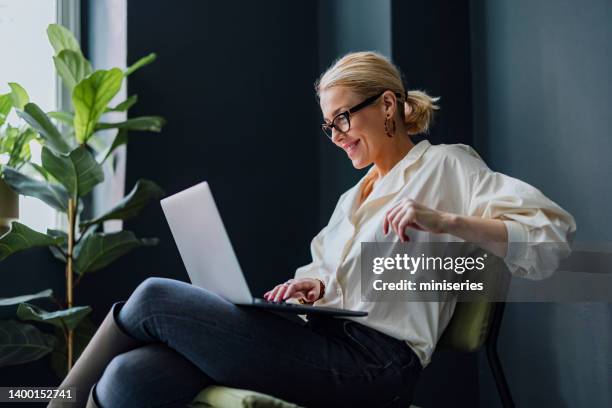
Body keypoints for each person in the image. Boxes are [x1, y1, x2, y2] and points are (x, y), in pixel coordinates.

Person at [49, 51, 576, 408]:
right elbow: (327, 274)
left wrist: (445, 220)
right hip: (321, 340)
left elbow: (551, 240)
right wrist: (312, 288)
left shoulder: (447, 167)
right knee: (131, 377)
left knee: (152, 299)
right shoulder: (353, 198)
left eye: (343, 118)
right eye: (330, 125)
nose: (336, 135)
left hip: (376, 364)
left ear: (387, 104)